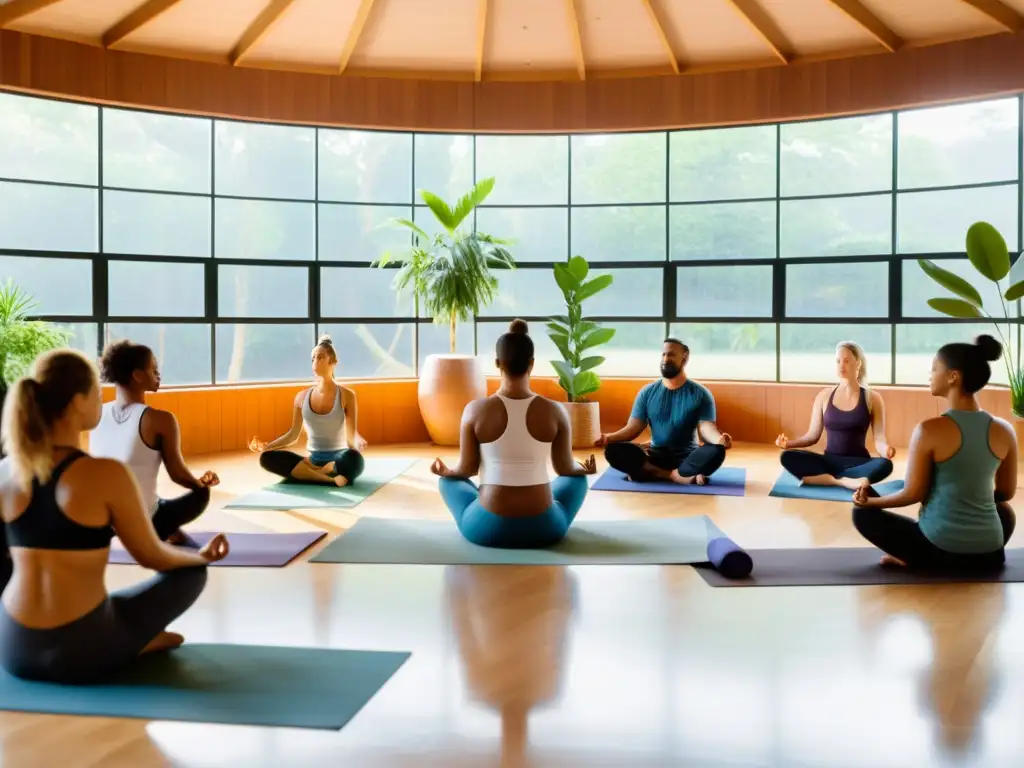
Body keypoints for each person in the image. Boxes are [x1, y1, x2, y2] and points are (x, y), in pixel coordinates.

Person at [0, 349, 229, 684]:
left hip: (11, 647)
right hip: (80, 650)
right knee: (191, 573)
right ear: (79, 402)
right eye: (96, 392)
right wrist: (201, 557)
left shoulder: (5, 471)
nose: (101, 399)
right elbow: (153, 556)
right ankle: (134, 642)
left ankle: (129, 636)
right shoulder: (104, 474)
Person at [851, 335, 1016, 571]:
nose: (930, 374)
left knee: (862, 514)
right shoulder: (1005, 430)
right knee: (1004, 511)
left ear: (953, 377)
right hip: (991, 554)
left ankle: (914, 558)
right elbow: (1005, 493)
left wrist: (870, 503)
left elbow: (912, 494)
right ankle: (973, 550)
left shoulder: (929, 430)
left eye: (934, 368)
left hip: (938, 552)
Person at [430, 320, 596, 548]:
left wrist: (447, 472)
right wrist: (584, 469)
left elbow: (466, 469)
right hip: (544, 528)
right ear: (532, 364)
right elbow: (564, 468)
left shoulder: (475, 410)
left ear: (498, 363)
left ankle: (483, 503)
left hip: (489, 529)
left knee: (448, 483)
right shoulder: (554, 410)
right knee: (576, 480)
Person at [91, 340, 218, 546]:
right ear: (138, 375)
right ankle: (164, 530)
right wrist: (201, 483)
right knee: (201, 493)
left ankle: (169, 531)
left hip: (101, 521)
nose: (158, 375)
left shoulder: (96, 413)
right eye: (154, 369)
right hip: (142, 522)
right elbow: (178, 475)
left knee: (150, 497)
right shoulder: (161, 420)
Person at [597, 338, 730, 486]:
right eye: (663, 355)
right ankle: (673, 475)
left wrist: (719, 440)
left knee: (716, 451)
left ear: (685, 357)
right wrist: (608, 438)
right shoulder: (647, 392)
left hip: (687, 459)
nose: (665, 359)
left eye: (671, 355)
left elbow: (707, 427)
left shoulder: (701, 393)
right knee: (613, 450)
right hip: (654, 457)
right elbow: (632, 428)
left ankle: (652, 472)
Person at [775, 341, 895, 492]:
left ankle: (825, 479)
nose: (841, 365)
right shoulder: (824, 396)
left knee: (885, 465)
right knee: (787, 457)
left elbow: (879, 438)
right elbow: (812, 436)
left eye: (846, 361)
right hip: (828, 462)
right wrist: (788, 444)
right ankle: (844, 481)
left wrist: (886, 450)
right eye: (838, 361)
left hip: (859, 463)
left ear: (858, 364)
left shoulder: (873, 398)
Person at [248, 335, 367, 487]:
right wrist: (268, 447)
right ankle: (327, 477)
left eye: (320, 358)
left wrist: (358, 442)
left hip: (338, 458)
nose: (315, 362)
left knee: (354, 459)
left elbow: (351, 436)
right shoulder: (301, 397)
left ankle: (313, 473)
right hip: (311, 460)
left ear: (333, 362)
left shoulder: (347, 395)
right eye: (313, 359)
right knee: (266, 458)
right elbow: (293, 435)